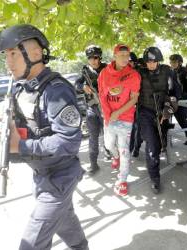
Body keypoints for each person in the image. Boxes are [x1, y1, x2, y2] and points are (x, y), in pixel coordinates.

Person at [0, 24, 88, 250]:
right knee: (66, 222)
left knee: (32, 243)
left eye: (14, 53)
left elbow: (69, 141)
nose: (9, 61)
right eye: (6, 55)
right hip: (42, 175)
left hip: (60, 177)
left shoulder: (56, 90)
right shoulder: (22, 88)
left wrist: (22, 146)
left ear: (36, 53)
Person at [98, 44, 141, 196]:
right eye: (121, 55)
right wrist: (108, 114)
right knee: (108, 145)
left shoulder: (133, 75)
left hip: (125, 118)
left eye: (127, 55)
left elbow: (134, 99)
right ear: (114, 56)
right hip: (109, 116)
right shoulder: (104, 73)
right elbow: (102, 96)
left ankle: (122, 180)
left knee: (124, 149)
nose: (124, 58)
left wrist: (118, 112)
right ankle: (114, 156)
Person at [138, 47, 180, 194]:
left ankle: (156, 163)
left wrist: (168, 110)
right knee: (152, 145)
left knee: (161, 142)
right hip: (145, 112)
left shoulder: (167, 71)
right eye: (148, 61)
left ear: (158, 60)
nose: (150, 64)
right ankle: (155, 178)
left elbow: (176, 92)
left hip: (163, 112)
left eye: (153, 61)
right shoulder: (139, 72)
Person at [75, 45, 110, 175]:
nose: (93, 60)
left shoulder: (108, 69)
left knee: (109, 135)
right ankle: (93, 163)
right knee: (93, 137)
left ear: (99, 57)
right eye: (90, 58)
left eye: (95, 57)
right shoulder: (85, 71)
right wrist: (83, 86)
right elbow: (76, 84)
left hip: (107, 108)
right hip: (92, 108)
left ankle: (109, 151)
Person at [169, 54, 187, 145]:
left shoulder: (184, 72)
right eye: (171, 62)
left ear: (179, 63)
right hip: (172, 99)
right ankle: (167, 141)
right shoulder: (170, 71)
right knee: (168, 119)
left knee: (182, 120)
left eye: (174, 62)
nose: (172, 63)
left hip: (182, 100)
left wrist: (185, 96)